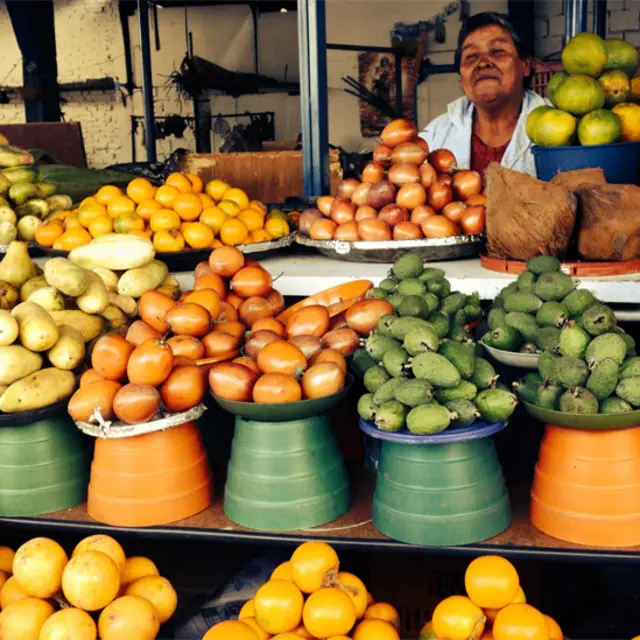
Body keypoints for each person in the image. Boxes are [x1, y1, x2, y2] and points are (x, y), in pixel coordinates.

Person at [420, 12, 550, 177]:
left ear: (525, 65)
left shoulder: (560, 124)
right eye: (471, 56)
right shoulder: (436, 134)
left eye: (497, 51)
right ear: (461, 76)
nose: (482, 63)